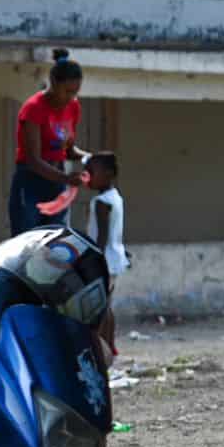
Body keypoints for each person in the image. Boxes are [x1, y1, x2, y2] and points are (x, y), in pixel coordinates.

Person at [9, 49, 88, 235]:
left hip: (57, 183)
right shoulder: (34, 108)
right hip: (31, 183)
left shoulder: (73, 107)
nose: (70, 97)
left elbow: (68, 150)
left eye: (75, 92)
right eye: (67, 91)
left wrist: (91, 158)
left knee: (54, 242)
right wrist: (67, 178)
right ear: (53, 83)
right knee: (26, 242)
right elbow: (33, 160)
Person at [85, 152, 127, 355]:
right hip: (114, 258)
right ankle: (109, 345)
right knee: (106, 305)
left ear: (109, 173)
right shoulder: (115, 197)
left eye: (92, 172)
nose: (87, 175)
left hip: (105, 260)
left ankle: (102, 347)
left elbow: (101, 237)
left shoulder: (102, 201)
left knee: (100, 309)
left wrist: (94, 261)